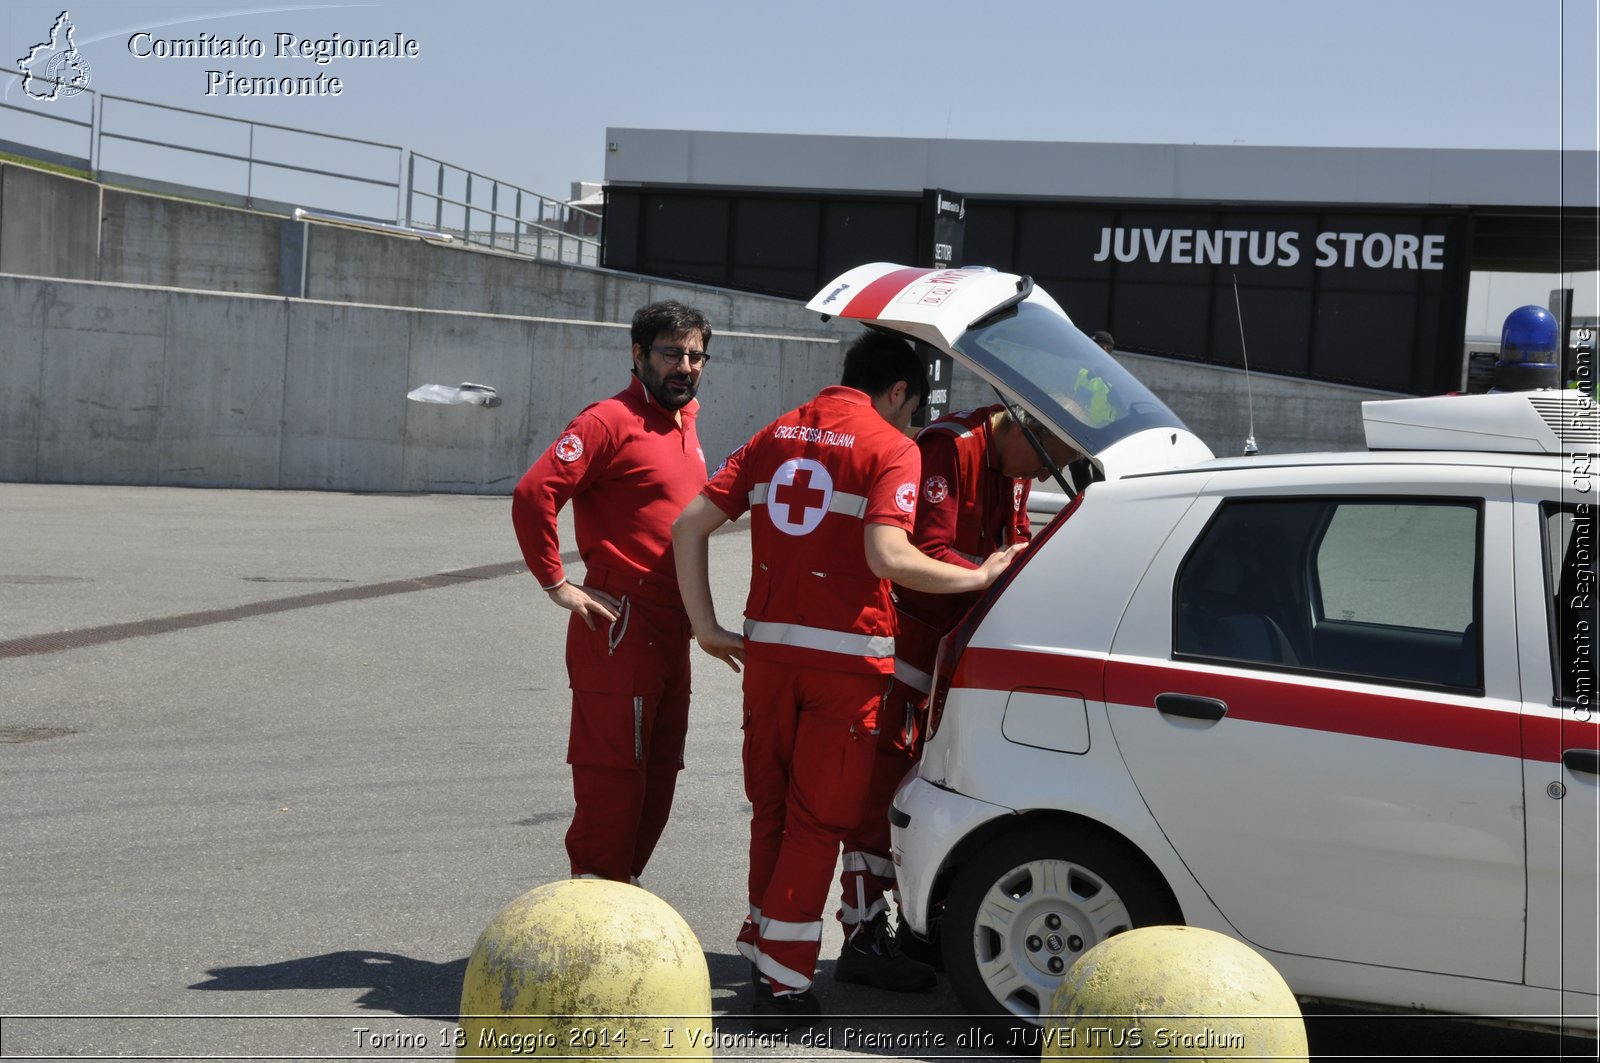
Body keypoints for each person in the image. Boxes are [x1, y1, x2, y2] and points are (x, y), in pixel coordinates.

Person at [671, 331, 1025, 1030]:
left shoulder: (777, 432)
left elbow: (690, 524)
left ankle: (769, 949)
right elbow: (887, 553)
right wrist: (979, 574)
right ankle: (782, 983)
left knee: (771, 809)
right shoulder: (891, 447)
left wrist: (706, 627)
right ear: (898, 391)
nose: (914, 423)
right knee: (817, 821)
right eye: (914, 408)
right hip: (845, 668)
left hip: (769, 659)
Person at [836, 404, 1080, 988]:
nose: (1046, 476)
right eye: (1050, 458)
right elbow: (925, 551)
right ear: (1026, 424)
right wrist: (995, 575)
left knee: (919, 788)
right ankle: (863, 932)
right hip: (905, 649)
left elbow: (1012, 540)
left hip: (949, 653)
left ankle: (900, 926)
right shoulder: (948, 448)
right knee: (878, 793)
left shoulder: (1012, 458)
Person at [510, 300, 713, 885]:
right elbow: (533, 495)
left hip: (675, 625)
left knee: (659, 771)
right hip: (621, 621)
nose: (686, 366)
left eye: (696, 355)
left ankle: (621, 893)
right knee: (614, 777)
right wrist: (557, 583)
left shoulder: (687, 421)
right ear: (638, 354)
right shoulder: (608, 421)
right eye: (672, 353)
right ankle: (593, 900)